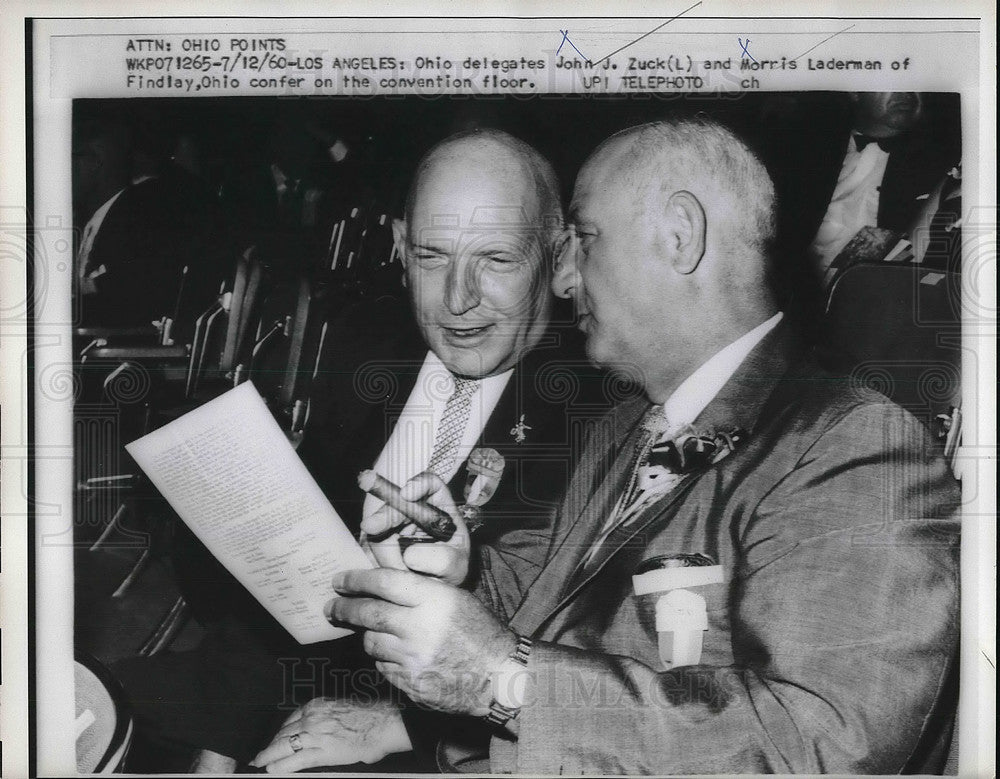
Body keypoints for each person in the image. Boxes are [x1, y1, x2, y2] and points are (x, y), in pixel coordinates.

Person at [260, 117, 960, 774]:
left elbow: (827, 748)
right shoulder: (626, 425)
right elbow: (552, 599)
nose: (564, 280)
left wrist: (504, 681)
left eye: (586, 240)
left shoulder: (855, 446)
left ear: (680, 234)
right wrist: (451, 566)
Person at [113, 127, 611, 772]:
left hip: (456, 739)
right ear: (401, 246)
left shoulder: (600, 413)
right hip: (289, 680)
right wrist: (223, 747)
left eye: (497, 259)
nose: (458, 300)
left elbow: (594, 673)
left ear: (560, 255)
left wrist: (404, 726)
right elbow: (284, 577)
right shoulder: (364, 351)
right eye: (432, 257)